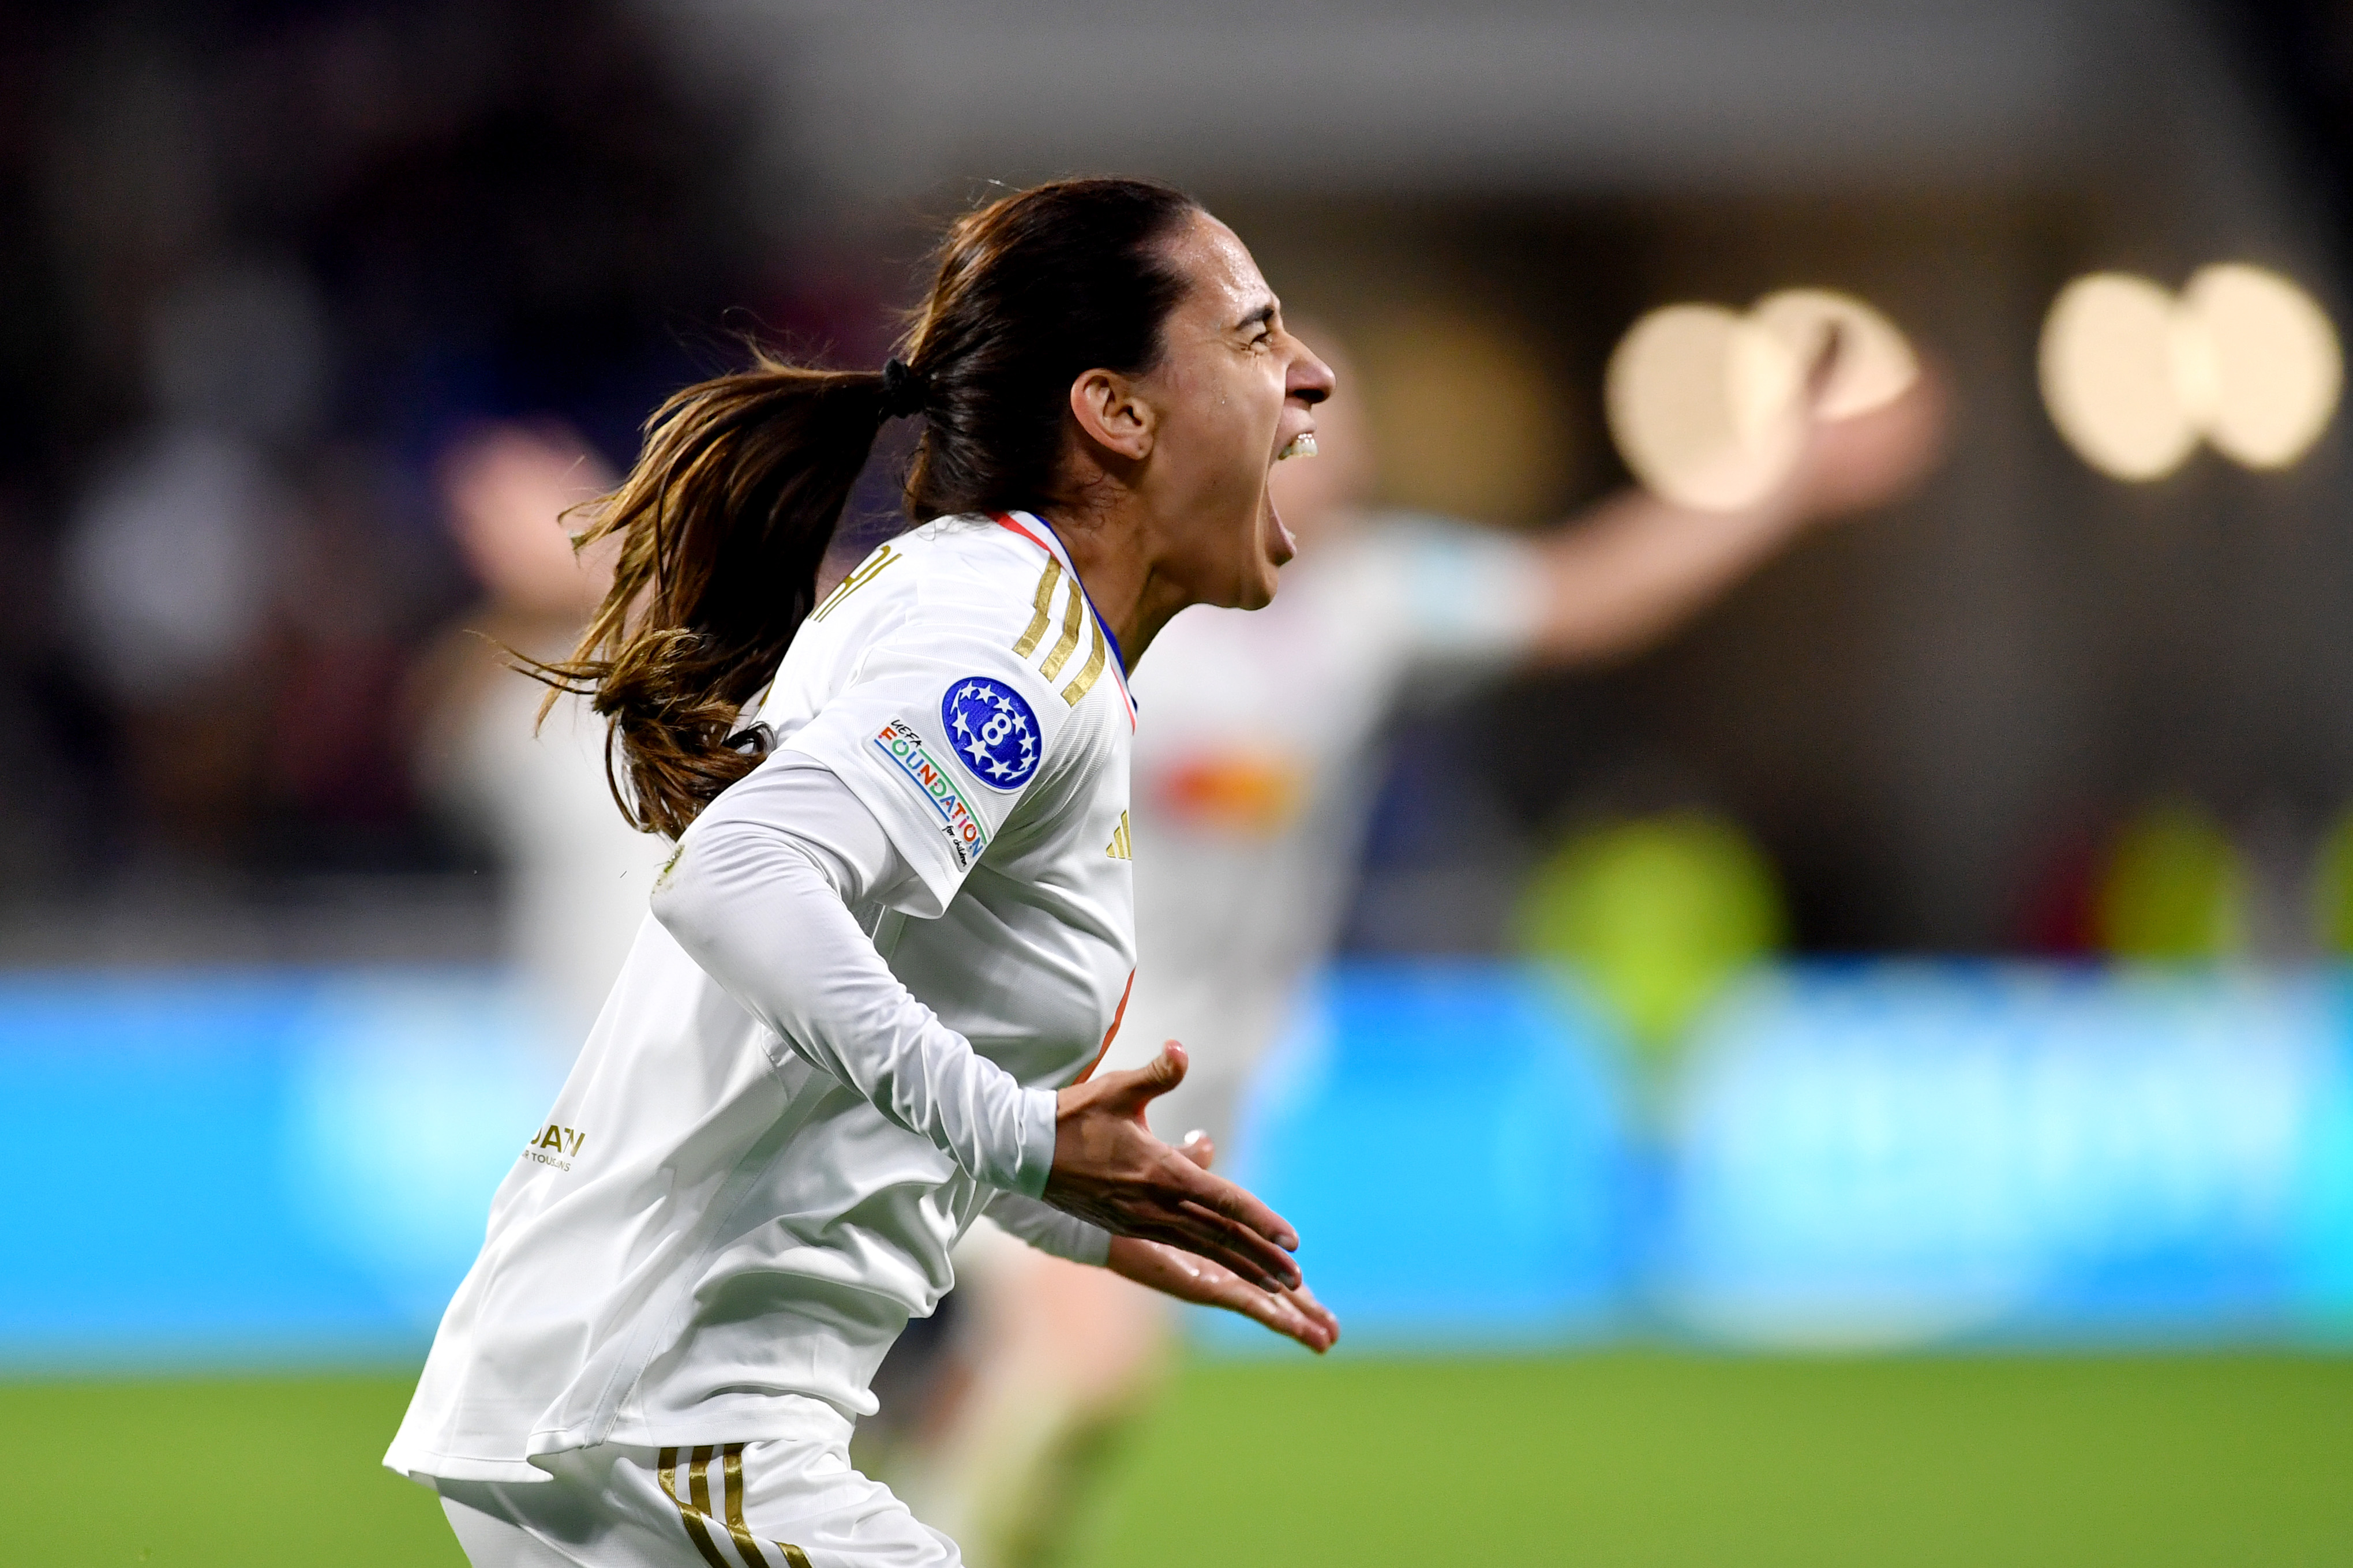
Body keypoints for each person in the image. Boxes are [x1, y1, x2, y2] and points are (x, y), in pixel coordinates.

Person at [384, 176, 1342, 1568]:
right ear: (1115, 412)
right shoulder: (1006, 644)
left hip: (638, 1404)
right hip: (665, 1418)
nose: (1306, 375)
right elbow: (743, 879)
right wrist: (1021, 1135)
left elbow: (844, 1044)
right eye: (1255, 337)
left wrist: (1056, 1195)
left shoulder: (982, 607)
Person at [900, 327, 1947, 1564]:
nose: (1321, 431)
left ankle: (900, 1500)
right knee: (1088, 1371)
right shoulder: (1066, 594)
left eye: (1329, 404)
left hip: (1209, 1069)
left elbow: (1591, 591)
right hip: (1026, 1046)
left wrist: (1784, 480)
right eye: (1286, 402)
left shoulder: (1372, 602)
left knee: (1059, 1405)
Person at [412, 422, 671, 1048]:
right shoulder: (513, 690)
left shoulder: (695, 646)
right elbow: (433, 735)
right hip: (586, 1045)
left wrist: (613, 554)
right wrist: (604, 565)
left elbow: (836, 619)